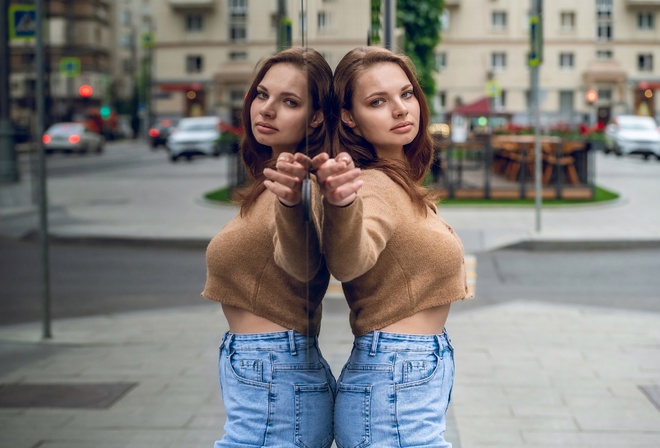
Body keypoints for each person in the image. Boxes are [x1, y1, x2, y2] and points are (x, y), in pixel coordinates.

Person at [314, 46, 472, 447]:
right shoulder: (374, 187)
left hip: (401, 378)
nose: (401, 110)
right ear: (349, 116)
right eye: (377, 101)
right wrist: (342, 204)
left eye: (406, 94)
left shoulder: (398, 180)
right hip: (394, 380)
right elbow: (349, 260)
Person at [201, 47, 336, 448]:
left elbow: (307, 262)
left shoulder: (305, 185)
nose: (268, 109)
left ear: (315, 117)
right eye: (262, 95)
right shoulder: (273, 179)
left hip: (274, 369)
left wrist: (294, 201)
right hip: (267, 369)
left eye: (289, 101)